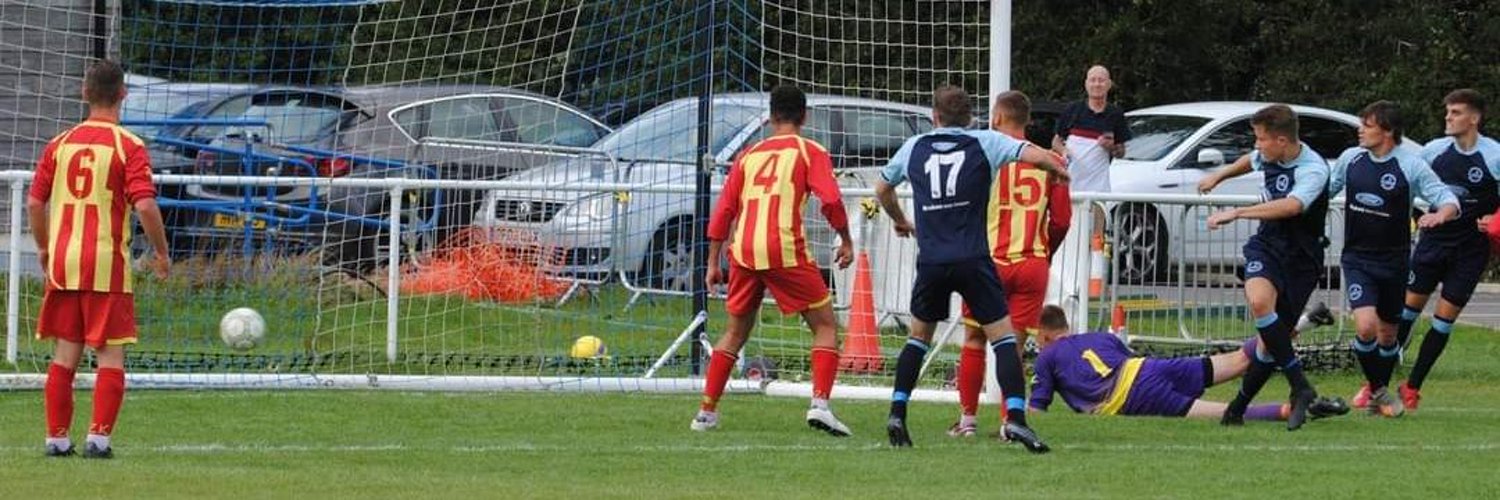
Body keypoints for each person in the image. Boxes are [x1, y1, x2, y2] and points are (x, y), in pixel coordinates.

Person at [875, 85, 1069, 452]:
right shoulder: (984, 142)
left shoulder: (915, 147)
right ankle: (1016, 420)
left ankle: (898, 412)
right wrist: (1057, 168)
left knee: (919, 338)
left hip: (932, 260)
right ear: (971, 118)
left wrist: (901, 219)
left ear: (934, 117)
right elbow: (1031, 154)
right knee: (1004, 339)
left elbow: (882, 188)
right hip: (976, 260)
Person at [691, 85, 856, 436]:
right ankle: (820, 406)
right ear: (805, 116)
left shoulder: (748, 155)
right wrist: (845, 239)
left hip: (744, 252)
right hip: (783, 248)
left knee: (735, 331)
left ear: (770, 117)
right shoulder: (810, 151)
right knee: (826, 326)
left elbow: (724, 211)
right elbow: (829, 199)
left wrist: (712, 262)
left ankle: (706, 413)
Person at [33, 59, 171, 459]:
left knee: (65, 352)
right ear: (123, 95)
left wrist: (44, 246)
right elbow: (144, 205)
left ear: (84, 92)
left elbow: (34, 201)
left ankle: (57, 439)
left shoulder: (59, 144)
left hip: (63, 263)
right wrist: (161, 252)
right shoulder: (129, 146)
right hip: (106, 264)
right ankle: (98, 439)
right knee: (110, 352)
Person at [1197, 104, 1329, 430]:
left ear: (1282, 141)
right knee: (1258, 302)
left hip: (1302, 258)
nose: (1257, 146)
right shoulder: (1268, 154)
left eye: (1261, 139)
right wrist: (1220, 175)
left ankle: (1237, 408)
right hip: (1268, 246)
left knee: (1273, 343)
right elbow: (1249, 161)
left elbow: (1292, 206)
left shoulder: (1313, 169)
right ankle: (1300, 386)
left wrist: (1238, 212)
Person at [947, 90, 1071, 438]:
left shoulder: (981, 155)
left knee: (973, 338)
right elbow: (1061, 221)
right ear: (1028, 121)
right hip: (1031, 263)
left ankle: (968, 420)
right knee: (1012, 345)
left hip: (990, 262)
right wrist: (1044, 254)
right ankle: (1009, 422)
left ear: (997, 118)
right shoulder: (1050, 161)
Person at [1327, 101, 1460, 417]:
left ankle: (1378, 396)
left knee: (1388, 335)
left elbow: (1448, 199)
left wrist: (1440, 214)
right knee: (1365, 327)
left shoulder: (1411, 166)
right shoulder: (1351, 158)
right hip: (1357, 258)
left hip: (1395, 261)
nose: (1360, 130)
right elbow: (1324, 191)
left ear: (1387, 131)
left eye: (1368, 125)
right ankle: (1381, 392)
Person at [1028, 305, 1350, 421]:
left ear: (1043, 336)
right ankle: (1304, 321)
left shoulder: (1046, 356)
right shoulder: (1100, 337)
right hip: (1147, 368)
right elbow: (1127, 360)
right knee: (1240, 359)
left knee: (1225, 413)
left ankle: (1304, 409)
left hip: (1130, 394)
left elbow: (1038, 411)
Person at [1389, 89, 1500, 411]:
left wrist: (1495, 219)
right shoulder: (1434, 151)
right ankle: (1377, 383)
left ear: (1474, 118)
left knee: (1443, 321)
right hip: (1433, 245)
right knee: (1407, 311)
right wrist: (1416, 215)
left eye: (1455, 112)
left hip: (1471, 250)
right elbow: (1405, 182)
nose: (1448, 118)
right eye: (1447, 112)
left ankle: (1411, 388)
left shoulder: (1494, 156)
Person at [1052, 65, 1132, 193]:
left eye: (1101, 80)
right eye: (1093, 80)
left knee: (1097, 213)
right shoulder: (1072, 110)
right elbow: (1055, 142)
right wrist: (1065, 151)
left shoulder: (1115, 114)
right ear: (1086, 84)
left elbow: (1121, 152)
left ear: (1109, 84)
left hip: (1099, 189)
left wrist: (1110, 147)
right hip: (1070, 187)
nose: (1097, 84)